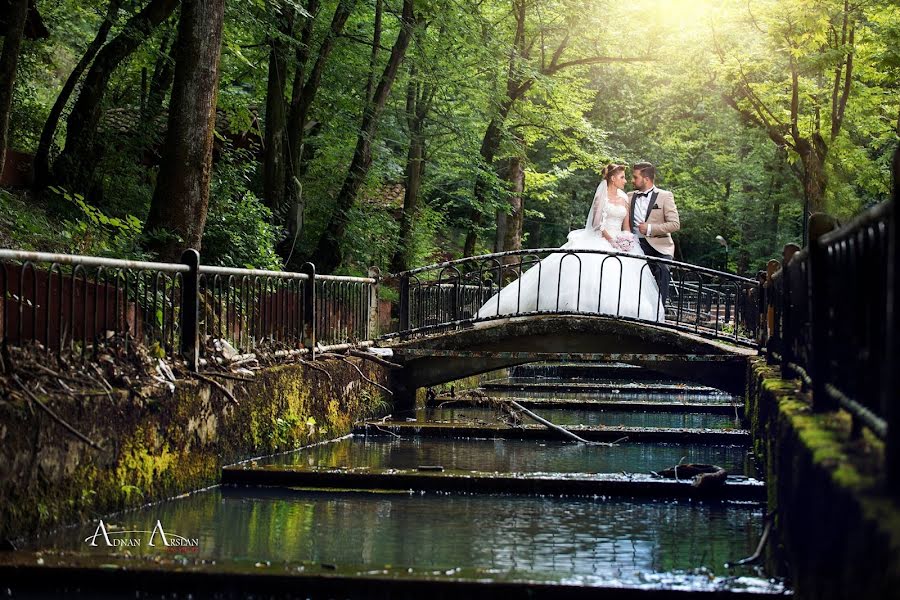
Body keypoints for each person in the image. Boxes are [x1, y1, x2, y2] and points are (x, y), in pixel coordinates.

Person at [477, 163, 664, 321]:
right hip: (603, 238)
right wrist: (612, 240)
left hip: (621, 242)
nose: (626, 181)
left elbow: (627, 224)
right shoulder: (601, 197)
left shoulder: (625, 198)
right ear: (613, 179)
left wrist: (626, 239)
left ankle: (624, 315)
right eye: (623, 177)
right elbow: (597, 223)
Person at [628, 162, 680, 304]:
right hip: (637, 244)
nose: (632, 180)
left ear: (646, 179)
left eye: (635, 177)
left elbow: (675, 224)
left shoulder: (665, 196)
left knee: (662, 270)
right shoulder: (628, 196)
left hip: (660, 245)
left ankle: (660, 312)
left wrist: (650, 228)